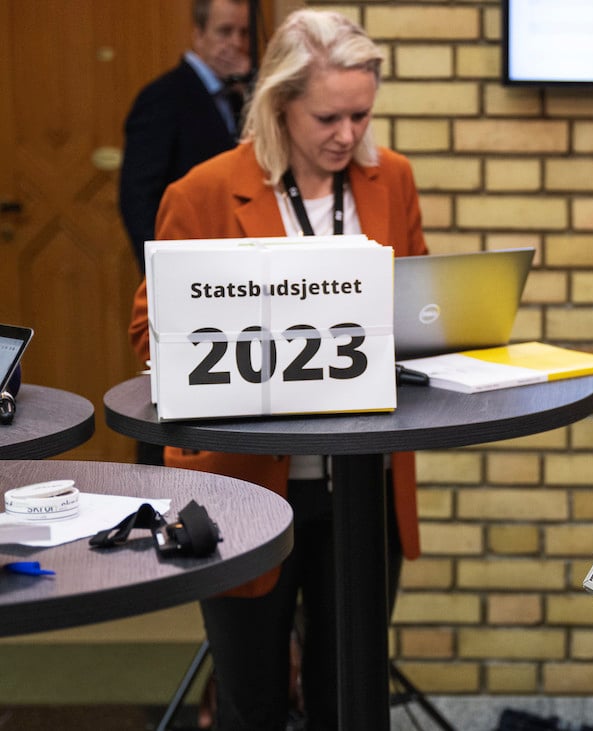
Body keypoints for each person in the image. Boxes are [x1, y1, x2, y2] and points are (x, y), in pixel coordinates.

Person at [126, 10, 426, 730]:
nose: (348, 135)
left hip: (364, 481)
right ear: (279, 104)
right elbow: (148, 332)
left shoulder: (392, 178)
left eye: (361, 115)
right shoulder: (201, 191)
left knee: (349, 700)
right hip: (242, 484)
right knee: (252, 701)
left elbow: (419, 305)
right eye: (328, 117)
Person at [119, 0, 250, 274]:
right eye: (225, 31)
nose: (236, 43)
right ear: (199, 34)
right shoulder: (164, 96)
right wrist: (161, 270)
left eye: (244, 32)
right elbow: (138, 196)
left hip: (234, 259)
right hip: (186, 257)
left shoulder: (240, 95)